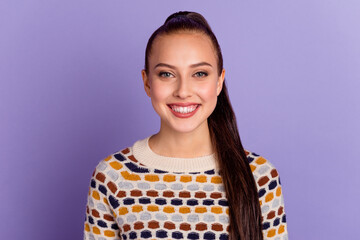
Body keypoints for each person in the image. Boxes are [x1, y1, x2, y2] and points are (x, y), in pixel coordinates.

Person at [83, 11, 288, 240]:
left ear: (219, 81)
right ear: (147, 82)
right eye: (167, 74)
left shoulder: (259, 176)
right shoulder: (111, 177)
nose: (183, 91)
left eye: (199, 73)